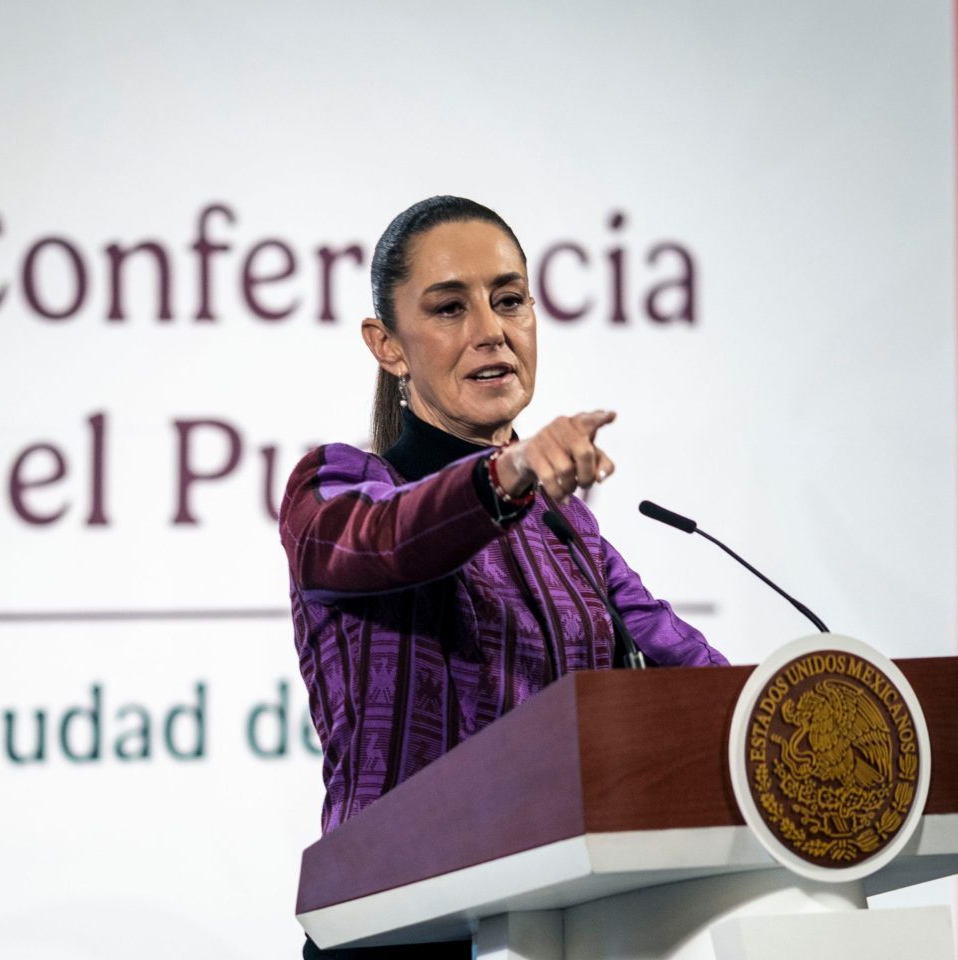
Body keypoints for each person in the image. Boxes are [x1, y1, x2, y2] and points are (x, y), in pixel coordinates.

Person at [280, 196, 726, 959]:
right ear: (387, 346)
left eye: (510, 300)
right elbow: (389, 541)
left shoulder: (569, 529)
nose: (491, 329)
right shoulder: (338, 487)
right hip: (400, 934)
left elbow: (694, 675)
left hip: (562, 924)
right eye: (449, 308)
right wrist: (508, 470)